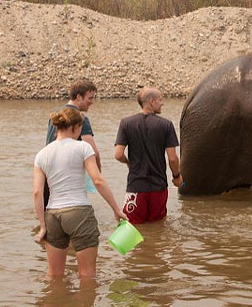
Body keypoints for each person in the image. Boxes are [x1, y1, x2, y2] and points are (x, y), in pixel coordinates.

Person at [34, 107, 127, 278]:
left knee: (54, 275)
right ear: (76, 128)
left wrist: (42, 226)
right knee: (87, 275)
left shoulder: (42, 154)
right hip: (79, 212)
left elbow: (37, 193)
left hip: (53, 214)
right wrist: (116, 209)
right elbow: (98, 181)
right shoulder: (83, 147)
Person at [114, 87, 183, 224]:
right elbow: (173, 159)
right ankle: (155, 246)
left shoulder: (126, 123)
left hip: (136, 186)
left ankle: (139, 247)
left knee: (131, 226)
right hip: (159, 187)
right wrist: (177, 177)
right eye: (160, 100)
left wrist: (128, 162)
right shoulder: (166, 125)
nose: (162, 103)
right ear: (152, 102)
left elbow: (118, 154)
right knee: (158, 227)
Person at [44, 79, 101, 207]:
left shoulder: (57, 115)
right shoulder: (80, 118)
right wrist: (97, 176)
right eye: (90, 98)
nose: (92, 102)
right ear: (79, 97)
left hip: (49, 175)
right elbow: (94, 151)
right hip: (67, 180)